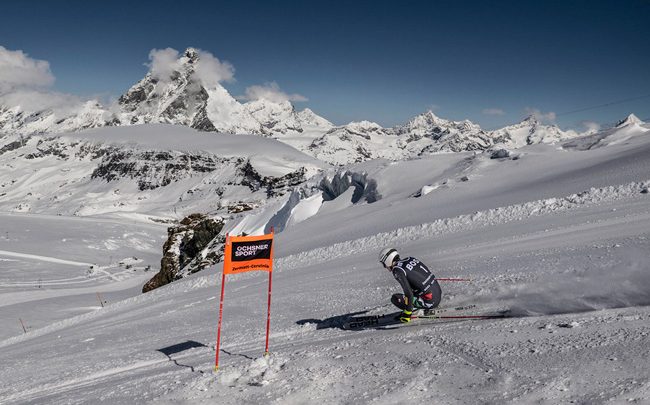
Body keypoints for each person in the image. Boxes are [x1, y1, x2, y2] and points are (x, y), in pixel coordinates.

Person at [378, 248, 442, 323]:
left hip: (430, 301)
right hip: (438, 292)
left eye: (384, 264)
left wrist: (407, 313)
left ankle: (415, 311)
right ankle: (419, 304)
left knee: (395, 299)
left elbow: (408, 294)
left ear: (387, 260)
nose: (385, 267)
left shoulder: (397, 270)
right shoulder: (410, 259)